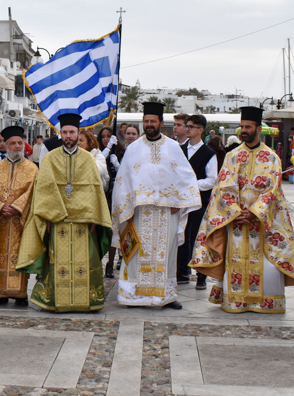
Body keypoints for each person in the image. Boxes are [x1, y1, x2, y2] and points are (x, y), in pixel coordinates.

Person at [191, 106, 294, 313]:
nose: (244, 130)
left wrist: (254, 212)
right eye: (242, 126)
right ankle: (236, 299)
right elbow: (223, 187)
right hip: (235, 221)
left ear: (258, 129)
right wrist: (235, 211)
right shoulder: (232, 156)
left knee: (266, 264)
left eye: (248, 127)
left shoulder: (271, 158)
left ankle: (264, 301)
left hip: (262, 222)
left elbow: (273, 190)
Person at [17, 113, 113, 312]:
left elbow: (95, 190)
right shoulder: (50, 158)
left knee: (84, 262)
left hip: (84, 222)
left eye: (72, 132)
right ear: (60, 134)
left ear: (79, 134)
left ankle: (86, 300)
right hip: (58, 220)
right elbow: (44, 189)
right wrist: (48, 217)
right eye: (65, 132)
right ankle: (54, 300)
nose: (68, 136)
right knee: (56, 262)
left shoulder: (88, 159)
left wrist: (95, 217)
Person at [112, 102, 201, 308]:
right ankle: (132, 295)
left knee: (166, 254)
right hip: (139, 212)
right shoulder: (133, 148)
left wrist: (181, 202)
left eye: (153, 121)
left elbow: (186, 176)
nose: (149, 124)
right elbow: (122, 180)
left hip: (166, 211)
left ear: (161, 123)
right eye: (146, 121)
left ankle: (165, 296)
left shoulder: (173, 147)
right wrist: (125, 208)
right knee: (136, 253)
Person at [0, 126, 37, 307]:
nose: (17, 146)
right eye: (13, 143)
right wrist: (0, 206)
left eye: (20, 143)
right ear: (6, 145)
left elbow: (34, 193)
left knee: (19, 254)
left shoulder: (32, 169)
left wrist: (17, 207)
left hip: (20, 222)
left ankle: (20, 294)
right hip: (0, 222)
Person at [178, 114, 219, 289]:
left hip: (200, 201)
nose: (187, 129)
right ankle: (182, 271)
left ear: (200, 130)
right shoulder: (180, 149)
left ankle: (201, 274)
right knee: (181, 236)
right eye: (186, 126)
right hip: (181, 202)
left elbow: (212, 180)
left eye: (190, 127)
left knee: (198, 237)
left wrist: (191, 184)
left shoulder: (209, 153)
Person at [98, 125, 123, 278]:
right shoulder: (97, 153)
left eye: (109, 136)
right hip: (102, 193)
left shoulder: (121, 152)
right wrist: (107, 149)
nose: (106, 139)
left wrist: (117, 164)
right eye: (103, 136)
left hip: (116, 193)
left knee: (115, 229)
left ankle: (111, 263)